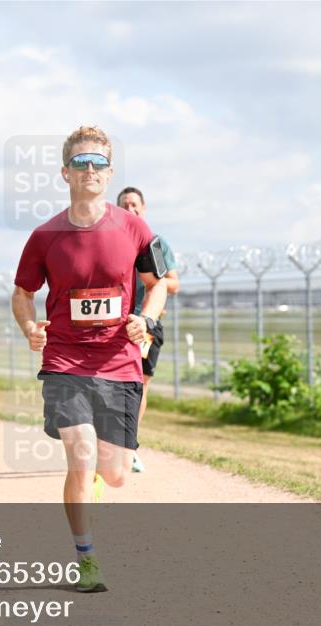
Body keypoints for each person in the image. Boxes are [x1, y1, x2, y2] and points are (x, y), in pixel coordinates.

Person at [11, 126, 167, 592]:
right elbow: (22, 293)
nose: (91, 170)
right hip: (65, 360)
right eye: (81, 162)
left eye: (99, 162)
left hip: (119, 360)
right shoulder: (45, 236)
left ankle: (101, 475)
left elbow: (158, 284)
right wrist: (29, 326)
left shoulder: (134, 227)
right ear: (65, 172)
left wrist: (146, 318)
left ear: (110, 171)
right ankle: (86, 558)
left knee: (115, 475)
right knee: (79, 456)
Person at [117, 186, 180, 473]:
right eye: (123, 206)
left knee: (139, 387)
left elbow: (173, 283)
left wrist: (154, 291)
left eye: (134, 205)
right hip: (113, 323)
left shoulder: (156, 243)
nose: (129, 210)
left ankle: (129, 446)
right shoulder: (110, 241)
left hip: (146, 325)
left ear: (143, 209)